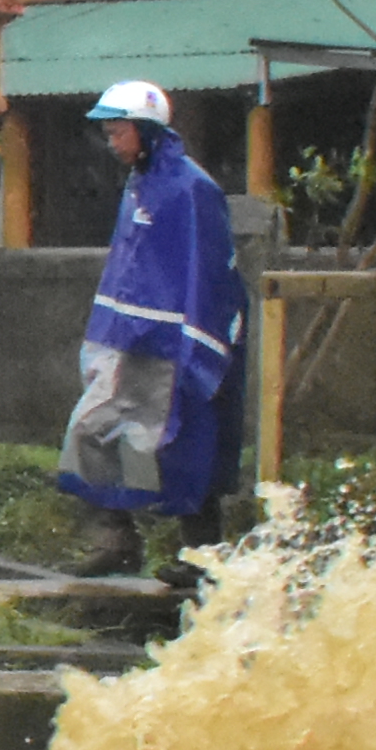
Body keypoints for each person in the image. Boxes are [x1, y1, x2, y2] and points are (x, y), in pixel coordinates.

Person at [57, 75, 244, 575]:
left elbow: (207, 271)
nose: (113, 143)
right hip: (126, 340)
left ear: (146, 130)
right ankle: (115, 539)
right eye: (109, 133)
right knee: (91, 430)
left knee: (187, 444)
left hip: (175, 343)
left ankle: (201, 558)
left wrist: (199, 348)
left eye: (119, 132)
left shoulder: (191, 190)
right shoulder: (138, 185)